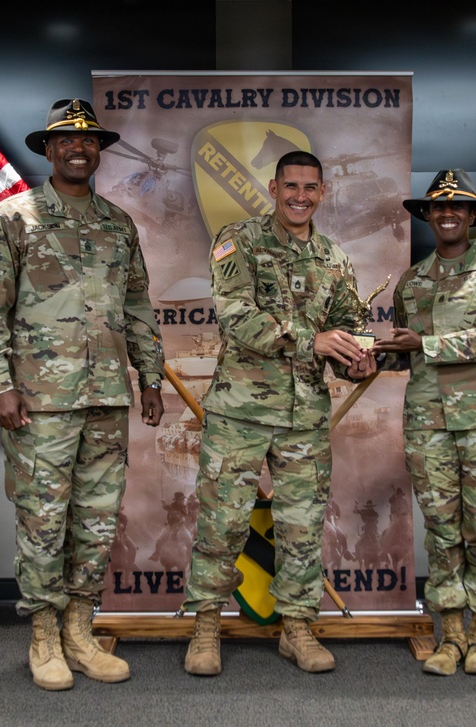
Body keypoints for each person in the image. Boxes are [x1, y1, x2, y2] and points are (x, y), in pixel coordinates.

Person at [0, 98, 165, 690]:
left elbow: (137, 307)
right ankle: (44, 636)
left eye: (89, 142)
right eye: (67, 142)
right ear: (49, 150)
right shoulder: (14, 218)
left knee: (97, 521)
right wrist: (0, 385)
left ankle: (81, 629)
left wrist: (149, 378)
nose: (79, 149)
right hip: (39, 403)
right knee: (43, 521)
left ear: (98, 152)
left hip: (106, 396)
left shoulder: (117, 223)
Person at [180, 150, 376, 676]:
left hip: (305, 416)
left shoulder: (334, 258)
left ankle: (297, 627)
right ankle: (205, 627)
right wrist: (314, 341)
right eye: (291, 186)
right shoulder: (237, 240)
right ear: (273, 187)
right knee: (221, 524)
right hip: (240, 413)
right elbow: (236, 315)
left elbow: (345, 328)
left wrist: (358, 361)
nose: (300, 196)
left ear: (322, 192)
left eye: (310, 188)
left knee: (302, 526)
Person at [373, 169, 476, 676]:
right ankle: (451, 635)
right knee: (441, 531)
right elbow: (406, 357)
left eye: (458, 207)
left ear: (473, 215)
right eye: (439, 208)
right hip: (428, 424)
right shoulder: (413, 281)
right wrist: (369, 356)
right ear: (427, 215)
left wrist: (425, 345)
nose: (448, 214)